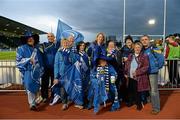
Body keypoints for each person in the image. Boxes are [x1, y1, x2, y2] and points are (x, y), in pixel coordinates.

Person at [16, 32, 44, 111]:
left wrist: (41, 69)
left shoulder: (37, 49)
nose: (30, 39)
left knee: (36, 87)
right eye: (28, 38)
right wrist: (28, 59)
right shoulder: (21, 48)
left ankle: (35, 101)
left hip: (37, 72)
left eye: (32, 38)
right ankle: (32, 103)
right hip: (27, 71)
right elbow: (18, 61)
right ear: (26, 39)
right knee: (29, 86)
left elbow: (41, 60)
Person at [140, 35, 165, 115]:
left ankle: (156, 108)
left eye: (146, 39)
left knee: (154, 91)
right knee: (150, 89)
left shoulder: (154, 48)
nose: (144, 41)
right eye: (142, 40)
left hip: (152, 72)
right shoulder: (142, 50)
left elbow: (161, 58)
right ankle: (152, 102)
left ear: (149, 40)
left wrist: (156, 67)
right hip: (145, 72)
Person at [124, 42, 150, 111]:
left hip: (138, 77)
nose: (137, 48)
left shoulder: (144, 56)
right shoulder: (130, 55)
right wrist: (126, 72)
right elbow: (127, 64)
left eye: (139, 47)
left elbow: (146, 67)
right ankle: (131, 102)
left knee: (137, 91)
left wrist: (137, 72)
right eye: (136, 47)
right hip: (130, 76)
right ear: (134, 48)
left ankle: (139, 104)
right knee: (130, 90)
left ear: (141, 48)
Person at [40, 33, 59, 103]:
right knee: (44, 83)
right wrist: (52, 44)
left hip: (55, 67)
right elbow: (44, 49)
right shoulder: (44, 44)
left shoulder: (58, 44)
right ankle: (44, 96)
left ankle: (53, 96)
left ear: (54, 37)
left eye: (51, 36)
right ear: (47, 38)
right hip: (46, 67)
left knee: (54, 83)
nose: (50, 37)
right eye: (48, 36)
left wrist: (56, 44)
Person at [76, 41, 90, 108]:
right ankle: (80, 102)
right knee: (80, 88)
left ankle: (86, 101)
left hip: (87, 73)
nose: (82, 47)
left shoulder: (86, 54)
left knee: (86, 87)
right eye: (81, 45)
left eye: (83, 45)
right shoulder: (76, 54)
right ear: (78, 46)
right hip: (80, 73)